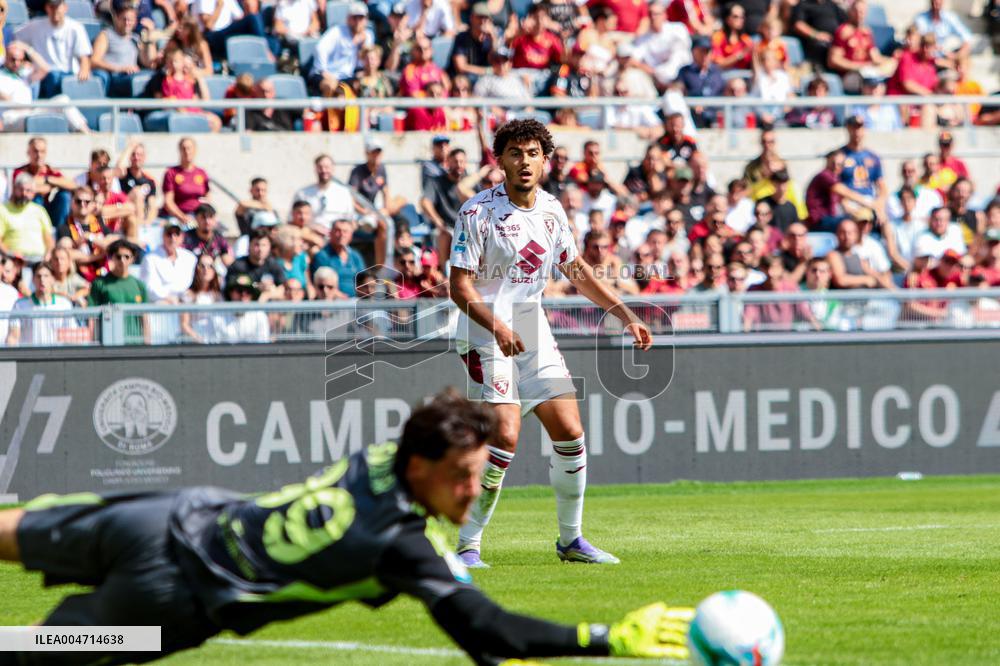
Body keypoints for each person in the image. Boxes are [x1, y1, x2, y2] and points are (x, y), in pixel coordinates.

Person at [0, 390, 695, 664]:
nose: (473, 488)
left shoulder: (376, 457)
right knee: (28, 651)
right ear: (421, 466)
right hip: (168, 602)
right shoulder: (401, 546)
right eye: (462, 474)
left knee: (10, 531)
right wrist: (600, 638)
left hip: (168, 514)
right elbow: (484, 630)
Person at [448, 119, 654, 567]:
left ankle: (571, 541)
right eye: (515, 153)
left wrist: (624, 313)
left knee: (570, 431)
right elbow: (459, 288)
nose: (524, 162)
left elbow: (575, 269)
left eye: (533, 153)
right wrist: (497, 326)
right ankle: (467, 546)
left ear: (546, 160)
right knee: (505, 433)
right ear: (499, 160)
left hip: (530, 324)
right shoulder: (477, 212)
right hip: (483, 328)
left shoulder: (552, 210)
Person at [13, 0, 91, 98]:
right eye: (51, 6)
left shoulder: (76, 27)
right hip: (44, 75)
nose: (55, 10)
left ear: (65, 7)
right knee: (52, 76)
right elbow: (14, 39)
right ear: (47, 8)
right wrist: (24, 57)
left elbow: (84, 55)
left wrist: (84, 69)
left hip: (69, 74)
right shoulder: (35, 26)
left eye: (57, 6)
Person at [88, 239, 147, 341]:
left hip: (136, 343)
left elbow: (144, 317)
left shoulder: (139, 285)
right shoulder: (99, 283)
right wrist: (94, 342)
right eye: (118, 257)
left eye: (126, 257)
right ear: (111, 258)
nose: (122, 260)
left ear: (133, 259)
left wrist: (147, 342)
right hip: (109, 342)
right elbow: (92, 317)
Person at [308, 2, 372, 96]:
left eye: (361, 18)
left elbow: (365, 62)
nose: (358, 21)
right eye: (355, 17)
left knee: (366, 85)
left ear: (366, 20)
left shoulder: (367, 36)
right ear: (348, 19)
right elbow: (320, 48)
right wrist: (324, 71)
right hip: (324, 74)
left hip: (346, 77)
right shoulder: (337, 31)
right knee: (331, 85)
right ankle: (326, 111)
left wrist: (362, 44)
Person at [5, 260, 74, 346]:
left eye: (46, 276)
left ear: (53, 279)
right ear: (33, 279)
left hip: (56, 357)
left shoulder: (64, 304)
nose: (42, 280)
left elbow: (70, 337)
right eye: (38, 276)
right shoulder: (19, 305)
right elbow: (13, 337)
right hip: (29, 357)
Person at [12, 137, 75, 230]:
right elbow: (27, 188)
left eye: (42, 151)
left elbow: (72, 185)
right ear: (28, 153)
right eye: (35, 151)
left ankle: (60, 232)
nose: (39, 155)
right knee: (36, 198)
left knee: (64, 195)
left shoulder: (50, 171)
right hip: (26, 214)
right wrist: (51, 186)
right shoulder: (20, 171)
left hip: (49, 211)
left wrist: (47, 179)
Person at [292, 154, 357, 230]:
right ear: (315, 169)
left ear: (333, 169)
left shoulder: (344, 193)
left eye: (327, 167)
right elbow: (292, 220)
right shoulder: (302, 194)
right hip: (310, 235)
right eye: (320, 167)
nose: (323, 170)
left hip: (337, 237)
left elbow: (351, 221)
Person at [0, 172, 54, 263]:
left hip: (39, 259)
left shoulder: (40, 210)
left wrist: (48, 254)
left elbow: (49, 239)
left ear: (33, 193)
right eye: (21, 189)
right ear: (14, 189)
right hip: (14, 260)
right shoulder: (3, 210)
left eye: (28, 190)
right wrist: (10, 254)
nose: (24, 193)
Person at [309, 218, 366, 298]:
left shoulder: (355, 256)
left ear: (351, 235)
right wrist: (341, 297)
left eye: (345, 231)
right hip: (333, 302)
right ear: (330, 233)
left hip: (356, 301)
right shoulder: (322, 256)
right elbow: (321, 283)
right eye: (338, 230)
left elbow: (363, 280)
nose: (341, 234)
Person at [161, 136, 211, 227]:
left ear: (195, 150)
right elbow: (168, 202)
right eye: (183, 149)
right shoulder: (171, 173)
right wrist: (182, 217)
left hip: (197, 216)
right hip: (177, 217)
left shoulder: (201, 173)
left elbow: (207, 197)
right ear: (179, 151)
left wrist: (201, 216)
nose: (187, 151)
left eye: (189, 148)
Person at [228, 227, 287, 302]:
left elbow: (283, 289)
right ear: (249, 246)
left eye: (264, 245)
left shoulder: (273, 264)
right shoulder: (238, 265)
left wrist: (266, 295)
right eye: (257, 245)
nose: (260, 249)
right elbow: (231, 290)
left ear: (269, 247)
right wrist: (256, 287)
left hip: (267, 311)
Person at [677, 35, 724, 128]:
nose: (704, 55)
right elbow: (679, 91)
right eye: (701, 51)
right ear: (693, 52)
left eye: (707, 51)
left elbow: (723, 93)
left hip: (714, 118)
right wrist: (692, 104)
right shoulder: (685, 71)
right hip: (692, 118)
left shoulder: (717, 72)